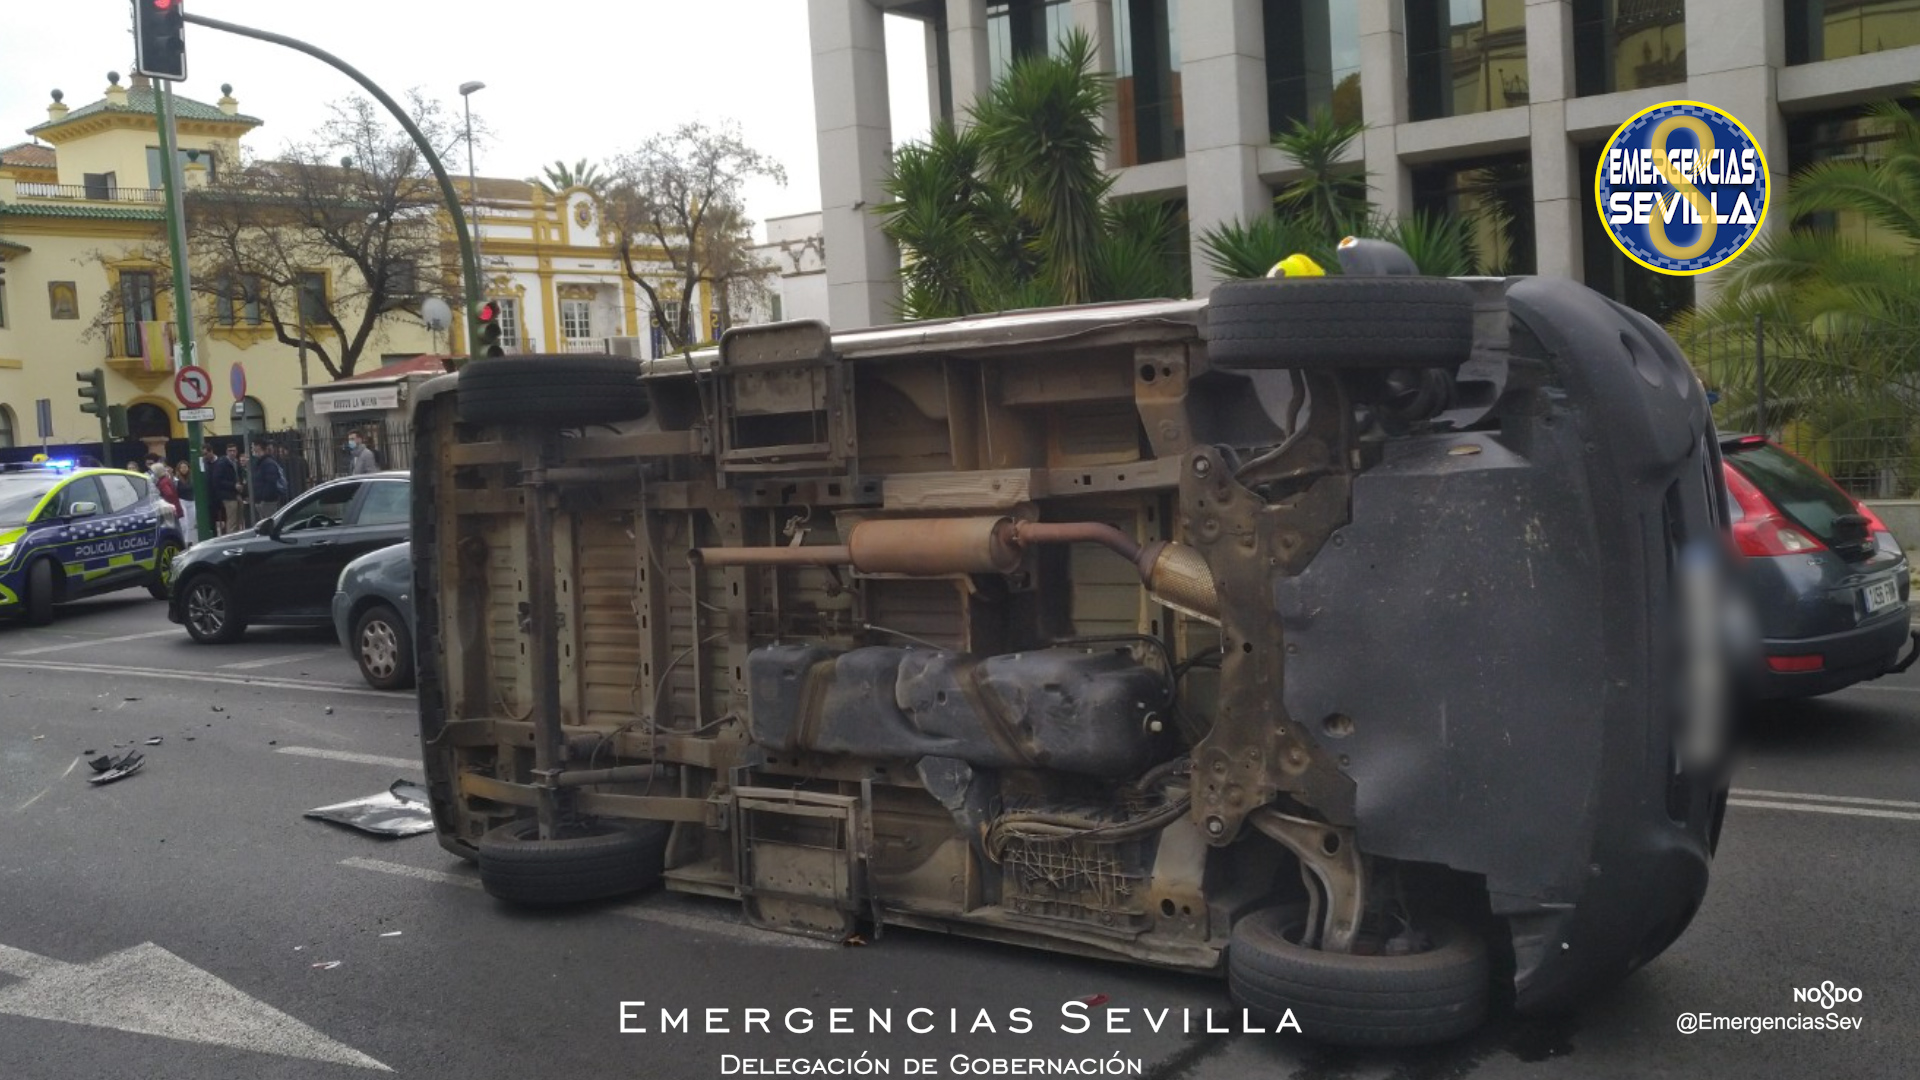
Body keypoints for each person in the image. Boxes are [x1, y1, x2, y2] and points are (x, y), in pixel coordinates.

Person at [251, 440, 288, 520]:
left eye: (255, 449)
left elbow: (271, 482)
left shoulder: (268, 463)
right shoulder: (261, 463)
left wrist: (264, 498)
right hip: (263, 500)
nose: (254, 451)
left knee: (269, 522)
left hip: (267, 501)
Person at [209, 443, 240, 535]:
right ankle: (231, 539)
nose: (232, 453)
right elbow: (217, 480)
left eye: (234, 451)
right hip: (228, 495)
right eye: (230, 451)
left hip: (235, 493)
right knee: (232, 520)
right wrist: (233, 485)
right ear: (226, 452)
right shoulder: (222, 463)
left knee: (238, 519)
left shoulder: (235, 462)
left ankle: (236, 537)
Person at [173, 459, 198, 545]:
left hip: (191, 501)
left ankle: (191, 540)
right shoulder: (176, 480)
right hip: (182, 501)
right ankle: (185, 541)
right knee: (185, 522)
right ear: (179, 469)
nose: (184, 469)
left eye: (185, 467)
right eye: (182, 467)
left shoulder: (192, 478)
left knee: (192, 522)